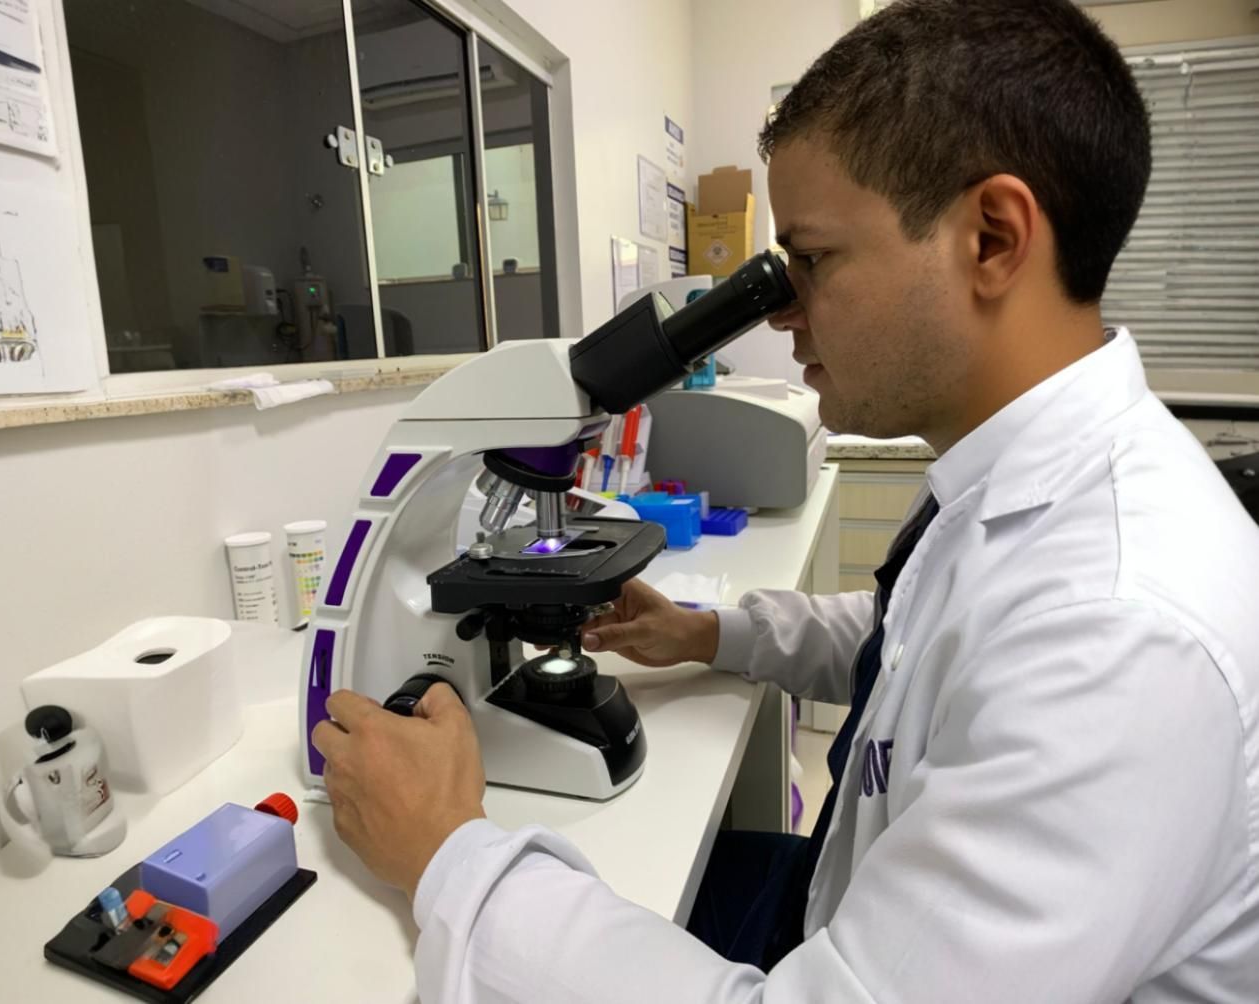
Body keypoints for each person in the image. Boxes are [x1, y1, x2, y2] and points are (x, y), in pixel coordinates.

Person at [310, 0, 1259, 999]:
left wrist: (448, 855)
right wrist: (706, 631)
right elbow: (912, 636)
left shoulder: (1117, 630)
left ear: (991, 238)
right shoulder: (1029, 484)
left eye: (810, 261)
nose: (785, 310)